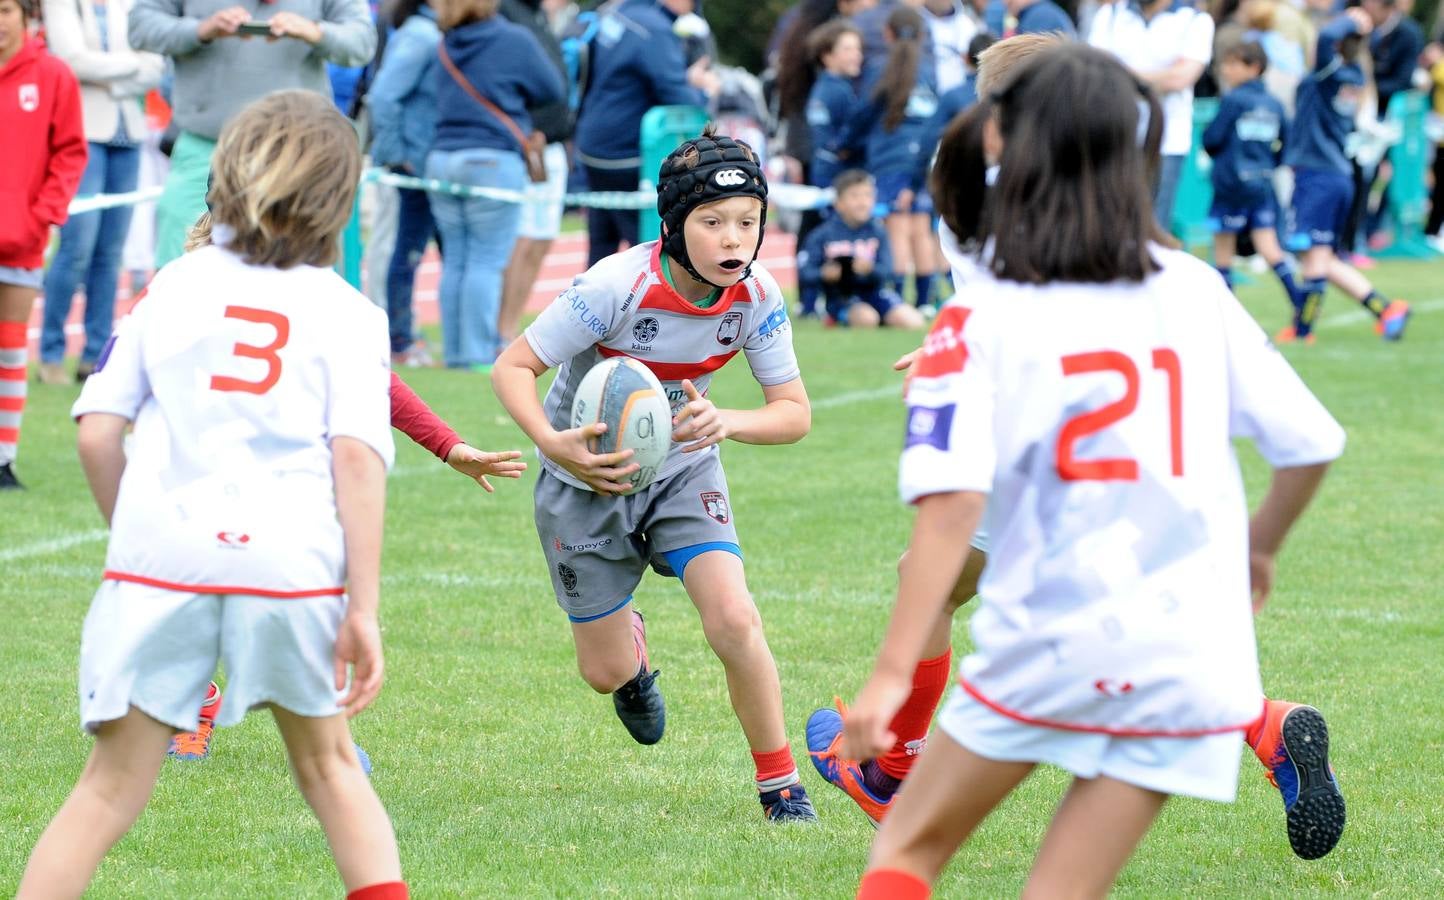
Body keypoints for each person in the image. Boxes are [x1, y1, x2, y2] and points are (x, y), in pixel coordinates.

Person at [806, 32, 1348, 866]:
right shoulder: (1181, 276)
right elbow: (1309, 442)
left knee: (958, 610)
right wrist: (1261, 552)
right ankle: (1263, 724)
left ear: (1002, 127)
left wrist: (961, 347)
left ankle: (889, 764)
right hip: (1169, 552)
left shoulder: (978, 213)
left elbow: (1002, 338)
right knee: (1127, 637)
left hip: (1044, 505)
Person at [16, 90, 408, 900]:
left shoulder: (176, 284)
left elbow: (96, 430)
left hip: (162, 552)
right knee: (331, 771)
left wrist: (136, 538)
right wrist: (361, 607)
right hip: (291, 555)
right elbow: (358, 461)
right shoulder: (350, 313)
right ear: (340, 198)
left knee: (104, 791)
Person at [491, 128, 819, 823]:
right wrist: (555, 442)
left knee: (734, 618)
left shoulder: (757, 297)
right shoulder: (615, 285)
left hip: (684, 469)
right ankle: (631, 657)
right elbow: (512, 367)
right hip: (587, 480)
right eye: (713, 222)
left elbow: (793, 414)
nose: (733, 237)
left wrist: (726, 421)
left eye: (747, 221)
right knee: (601, 673)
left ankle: (781, 784)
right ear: (673, 225)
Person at [161, 209, 527, 760]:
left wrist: (449, 447)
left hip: (297, 482)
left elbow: (376, 380)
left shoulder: (317, 295)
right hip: (206, 478)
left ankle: (328, 733)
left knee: (305, 606)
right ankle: (193, 704)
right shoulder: (185, 295)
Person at [128, 0, 378, 269]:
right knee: (178, 258)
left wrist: (315, 32)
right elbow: (139, 27)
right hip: (205, 143)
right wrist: (201, 29)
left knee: (306, 263)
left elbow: (362, 42)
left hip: (295, 154)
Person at [428, 0, 563, 370]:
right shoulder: (513, 38)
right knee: (486, 260)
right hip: (491, 159)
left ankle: (455, 351)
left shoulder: (442, 42)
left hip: (441, 158)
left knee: (456, 258)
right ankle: (476, 353)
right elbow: (552, 87)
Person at [37, 0, 164, 385]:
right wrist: (131, 68)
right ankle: (51, 354)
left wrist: (107, 73)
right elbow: (72, 60)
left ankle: (95, 354)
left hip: (128, 135)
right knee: (76, 248)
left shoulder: (131, 4)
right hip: (83, 134)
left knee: (111, 254)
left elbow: (156, 67)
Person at [1279, 7, 1410, 344]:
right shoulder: (1354, 76)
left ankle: (1303, 330)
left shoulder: (1329, 73)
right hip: (1334, 175)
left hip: (1319, 176)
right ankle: (1386, 309)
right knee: (1322, 256)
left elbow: (1325, 37)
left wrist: (1354, 20)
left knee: (1314, 256)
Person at [0, 0, 87, 491]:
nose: (0, 20)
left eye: (6, 9)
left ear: (26, 15)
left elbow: (71, 151)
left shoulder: (53, 76)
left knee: (11, 349)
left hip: (20, 238)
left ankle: (3, 459)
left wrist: (43, 215)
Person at [572, 0, 717, 266]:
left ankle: (590, 307)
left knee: (600, 247)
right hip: (628, 152)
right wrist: (703, 89)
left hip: (593, 143)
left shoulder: (618, 11)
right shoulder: (655, 30)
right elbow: (679, 95)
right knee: (647, 252)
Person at [1089, 0, 1213, 233]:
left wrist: (1121, 74)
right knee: (1106, 222)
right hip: (1114, 135)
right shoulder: (1110, 14)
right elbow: (1095, 73)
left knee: (1154, 229)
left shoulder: (1195, 19)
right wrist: (1160, 77)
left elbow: (1182, 78)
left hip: (1168, 140)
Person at [368, 0, 442, 368]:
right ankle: (398, 338)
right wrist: (400, 155)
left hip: (427, 160)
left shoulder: (430, 32)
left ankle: (406, 333)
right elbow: (383, 95)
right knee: (403, 251)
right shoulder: (420, 34)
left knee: (414, 251)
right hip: (414, 164)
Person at [496, 0, 573, 349]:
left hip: (551, 144)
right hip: (528, 144)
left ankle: (509, 327)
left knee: (541, 239)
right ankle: (500, 329)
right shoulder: (508, 12)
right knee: (522, 239)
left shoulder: (537, 16)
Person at [1203, 41, 1303, 310]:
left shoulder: (1234, 100)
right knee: (1270, 248)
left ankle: (1228, 312)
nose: (1225, 70)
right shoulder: (1274, 103)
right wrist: (1268, 163)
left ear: (1254, 67)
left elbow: (1212, 139)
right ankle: (1299, 301)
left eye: (1233, 64)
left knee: (1223, 251)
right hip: (1261, 184)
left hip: (1230, 186)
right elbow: (1289, 144)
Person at [855, 5, 943, 309]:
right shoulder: (930, 69)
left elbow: (863, 113)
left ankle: (896, 296)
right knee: (922, 229)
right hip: (926, 159)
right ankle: (925, 301)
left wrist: (844, 143)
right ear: (921, 35)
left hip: (889, 158)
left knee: (897, 229)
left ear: (887, 34)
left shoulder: (879, 67)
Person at [798, 169, 926, 328]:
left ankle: (883, 316)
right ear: (838, 203)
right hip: (841, 296)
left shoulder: (878, 231)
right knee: (867, 319)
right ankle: (839, 317)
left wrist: (870, 269)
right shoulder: (822, 234)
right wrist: (825, 273)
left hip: (874, 293)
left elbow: (887, 270)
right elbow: (805, 271)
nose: (862, 202)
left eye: (867, 195)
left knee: (913, 321)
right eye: (854, 196)